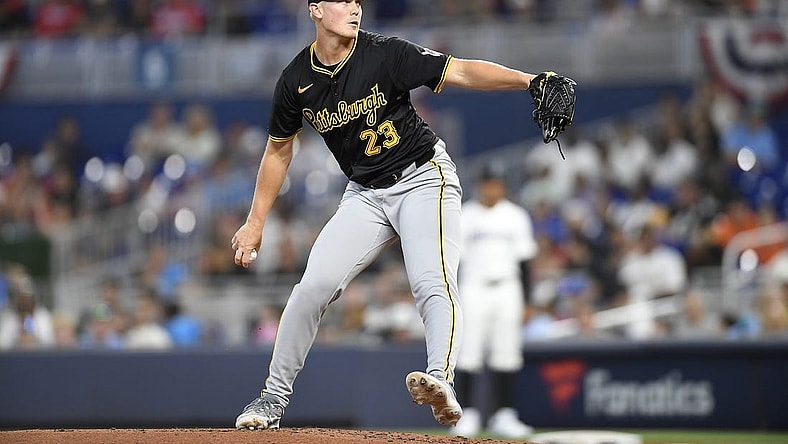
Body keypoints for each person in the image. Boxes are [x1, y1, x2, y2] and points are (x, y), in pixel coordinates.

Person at [231, 0, 558, 431]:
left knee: (431, 280)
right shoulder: (296, 80)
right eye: (342, 0)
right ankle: (272, 398)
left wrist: (529, 81)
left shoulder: (386, 54)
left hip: (423, 177)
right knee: (313, 287)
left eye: (356, 1)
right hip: (365, 193)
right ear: (315, 9)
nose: (354, 7)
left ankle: (441, 379)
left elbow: (458, 70)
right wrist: (256, 221)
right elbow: (278, 150)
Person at [449, 161, 537, 439]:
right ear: (480, 184)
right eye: (488, 182)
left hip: (508, 288)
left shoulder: (516, 215)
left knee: (507, 352)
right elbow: (452, 259)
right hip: (473, 286)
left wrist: (529, 301)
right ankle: (469, 414)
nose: (492, 187)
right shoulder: (465, 214)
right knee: (469, 352)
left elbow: (525, 262)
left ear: (504, 185)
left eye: (497, 182)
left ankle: (504, 415)